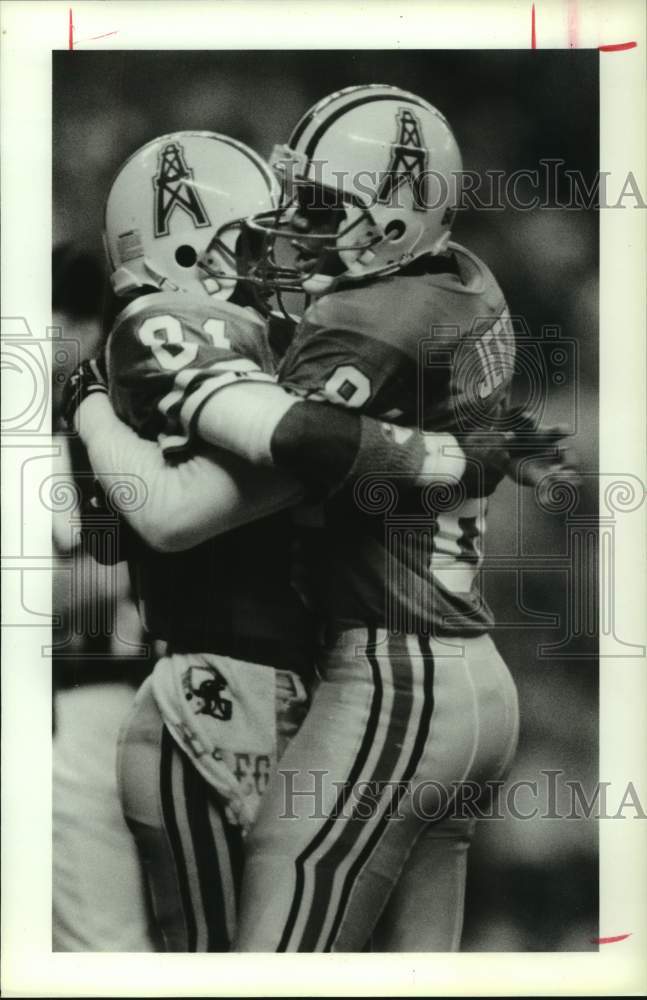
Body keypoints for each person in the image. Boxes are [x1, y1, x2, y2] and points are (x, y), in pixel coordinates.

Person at [153, 85, 577, 951]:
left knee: (279, 948)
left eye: (319, 206)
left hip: (396, 674)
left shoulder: (370, 320)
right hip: (460, 673)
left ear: (392, 226)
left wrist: (193, 385)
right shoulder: (459, 275)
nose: (295, 225)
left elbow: (263, 461)